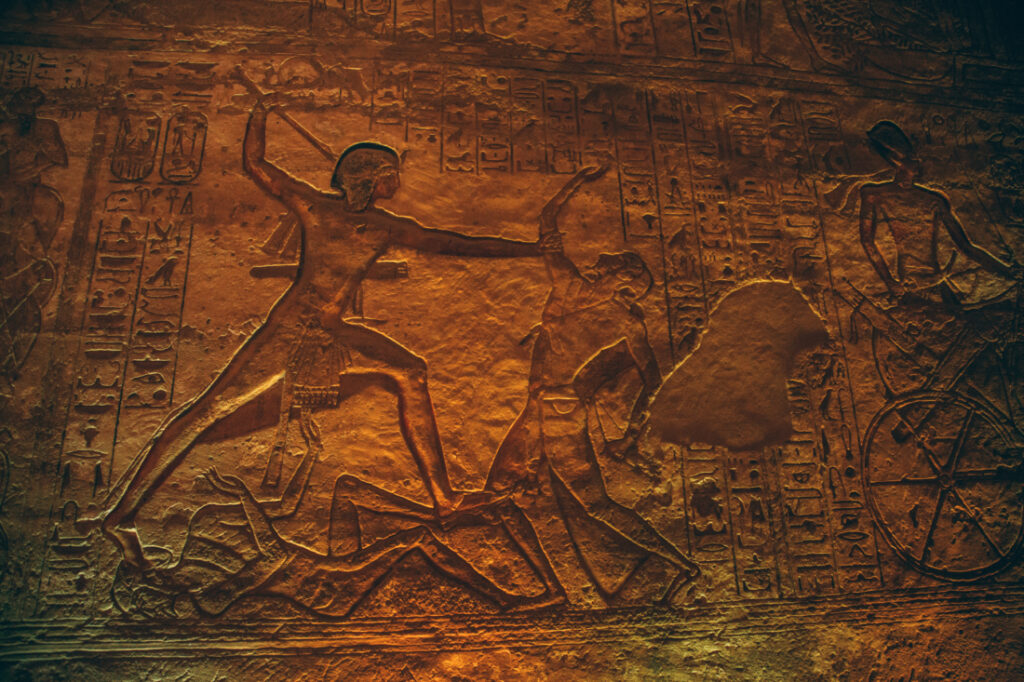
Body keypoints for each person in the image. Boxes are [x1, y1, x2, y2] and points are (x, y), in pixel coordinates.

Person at [95, 93, 557, 570]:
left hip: (334, 329)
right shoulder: (315, 208)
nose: (397, 181)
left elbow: (454, 244)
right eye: (392, 173)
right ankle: (122, 514)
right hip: (293, 327)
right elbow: (256, 164)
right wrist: (260, 110)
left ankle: (443, 499)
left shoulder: (384, 226)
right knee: (208, 411)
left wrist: (528, 250)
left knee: (411, 371)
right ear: (374, 179)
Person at [483, 165, 699, 605]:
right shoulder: (567, 285)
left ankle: (682, 566)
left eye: (614, 261)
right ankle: (553, 588)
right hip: (538, 409)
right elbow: (546, 222)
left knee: (592, 504)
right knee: (501, 497)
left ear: (622, 279)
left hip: (560, 412)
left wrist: (631, 439)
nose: (602, 258)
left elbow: (656, 385)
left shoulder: (625, 321)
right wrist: (577, 181)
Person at [112, 413, 552, 618]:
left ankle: (446, 515)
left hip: (326, 561)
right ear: (158, 594)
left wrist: (311, 454)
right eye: (152, 576)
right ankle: (506, 600)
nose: (156, 568)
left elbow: (283, 513)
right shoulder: (211, 599)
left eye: (150, 568)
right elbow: (273, 552)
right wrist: (244, 493)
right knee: (415, 539)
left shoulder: (193, 557)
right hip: (333, 589)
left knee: (348, 489)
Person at [858, 120, 1016, 304]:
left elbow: (966, 247)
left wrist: (1006, 271)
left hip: (936, 279)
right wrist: (889, 282)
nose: (920, 163)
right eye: (914, 159)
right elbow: (867, 241)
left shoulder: (934, 200)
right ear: (897, 159)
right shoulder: (874, 195)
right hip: (909, 284)